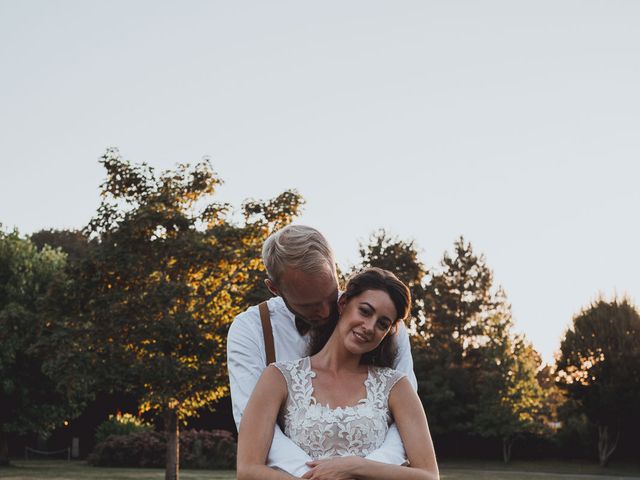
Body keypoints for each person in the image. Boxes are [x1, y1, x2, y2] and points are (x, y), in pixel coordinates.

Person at [227, 225, 417, 477]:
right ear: (275, 288)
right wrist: (318, 476)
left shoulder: (384, 324)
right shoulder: (249, 330)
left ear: (335, 269)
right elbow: (254, 426)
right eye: (309, 305)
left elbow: (406, 425)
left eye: (330, 297)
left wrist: (361, 471)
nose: (327, 312)